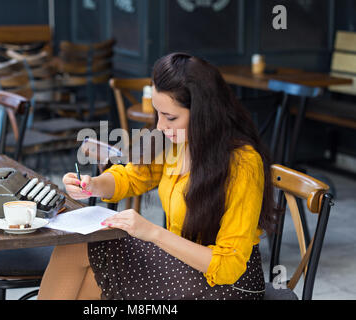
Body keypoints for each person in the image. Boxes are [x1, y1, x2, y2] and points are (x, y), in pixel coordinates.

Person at [37, 52, 278, 300]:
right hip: (182, 262)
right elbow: (131, 177)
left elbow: (228, 267)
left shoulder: (243, 163)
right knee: (80, 253)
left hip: (229, 285)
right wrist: (93, 185)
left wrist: (152, 232)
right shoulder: (174, 142)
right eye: (158, 113)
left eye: (170, 117)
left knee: (86, 259)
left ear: (204, 114)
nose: (161, 126)